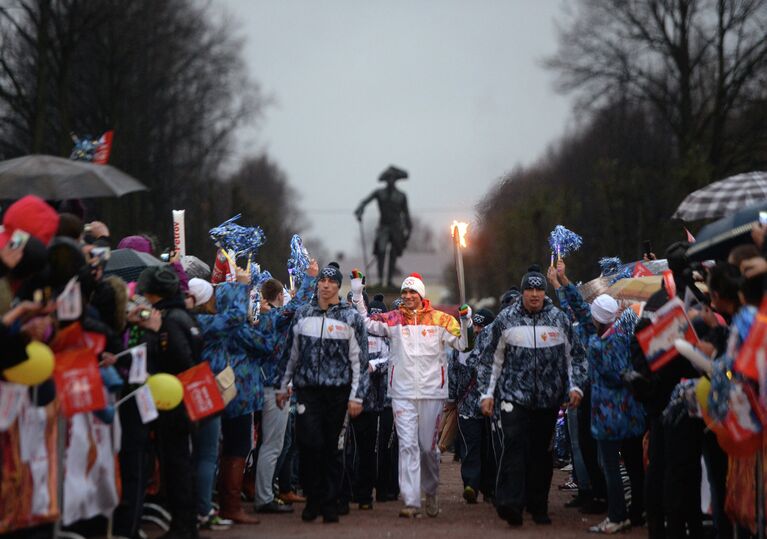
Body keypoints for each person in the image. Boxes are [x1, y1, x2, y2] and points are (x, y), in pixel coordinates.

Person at [350, 271, 471, 518]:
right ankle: (412, 501)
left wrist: (466, 322)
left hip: (431, 392)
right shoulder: (394, 319)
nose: (407, 296)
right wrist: (357, 292)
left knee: (427, 447)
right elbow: (364, 322)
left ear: (421, 295)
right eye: (404, 292)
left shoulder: (440, 319)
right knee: (407, 446)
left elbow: (463, 345)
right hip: (402, 392)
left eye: (412, 292)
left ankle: (431, 491)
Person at [477, 264, 587, 527]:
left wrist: (575, 387)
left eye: (539, 289)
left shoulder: (559, 320)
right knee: (514, 446)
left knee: (540, 455)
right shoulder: (506, 319)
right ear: (523, 291)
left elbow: (576, 357)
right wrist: (486, 394)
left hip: (548, 399)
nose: (534, 294)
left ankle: (538, 506)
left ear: (544, 293)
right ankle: (510, 503)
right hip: (514, 396)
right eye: (530, 289)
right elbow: (490, 360)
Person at [550, 261, 645, 534]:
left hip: (607, 415)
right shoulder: (623, 330)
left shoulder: (598, 343)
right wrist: (563, 281)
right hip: (630, 410)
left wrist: (562, 285)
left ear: (598, 319)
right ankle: (636, 512)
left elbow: (582, 319)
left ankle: (616, 515)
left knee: (612, 468)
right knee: (634, 464)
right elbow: (582, 310)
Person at [276, 263, 369, 524]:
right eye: (322, 281)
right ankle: (313, 498)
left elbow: (359, 361)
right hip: (308, 391)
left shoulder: (350, 317)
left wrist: (356, 396)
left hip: (338, 393)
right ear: (318, 284)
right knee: (308, 445)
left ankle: (329, 503)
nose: (326, 285)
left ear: (339, 287)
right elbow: (291, 354)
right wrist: (283, 386)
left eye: (331, 282)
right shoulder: (303, 314)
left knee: (333, 448)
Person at [137, 265, 203, 539]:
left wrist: (154, 332)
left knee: (176, 466)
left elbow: (179, 360)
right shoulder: (184, 316)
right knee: (181, 464)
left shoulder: (170, 320)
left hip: (173, 403)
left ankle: (183, 526)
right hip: (184, 402)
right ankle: (186, 523)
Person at [254, 261, 318, 514]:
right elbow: (297, 306)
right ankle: (264, 497)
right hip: (273, 387)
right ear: (280, 295)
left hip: (271, 385)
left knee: (270, 445)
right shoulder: (272, 318)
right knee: (272, 445)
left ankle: (266, 493)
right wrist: (310, 278)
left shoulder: (262, 316)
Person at [449, 308, 497, 504]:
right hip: (467, 406)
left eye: (481, 325)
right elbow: (452, 369)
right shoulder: (461, 345)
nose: (477, 330)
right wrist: (452, 397)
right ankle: (470, 484)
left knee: (490, 448)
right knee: (470, 447)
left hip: (491, 405)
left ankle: (489, 488)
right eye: (475, 325)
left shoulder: (495, 346)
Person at [354, 166, 412, 287]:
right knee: (381, 252)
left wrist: (409, 230)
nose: (390, 180)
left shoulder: (401, 195)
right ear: (385, 180)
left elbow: (406, 214)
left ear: (396, 179)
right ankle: (380, 280)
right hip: (383, 227)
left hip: (397, 228)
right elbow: (365, 202)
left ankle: (389, 281)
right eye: (388, 178)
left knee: (393, 254)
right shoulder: (379, 193)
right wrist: (360, 210)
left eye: (393, 178)